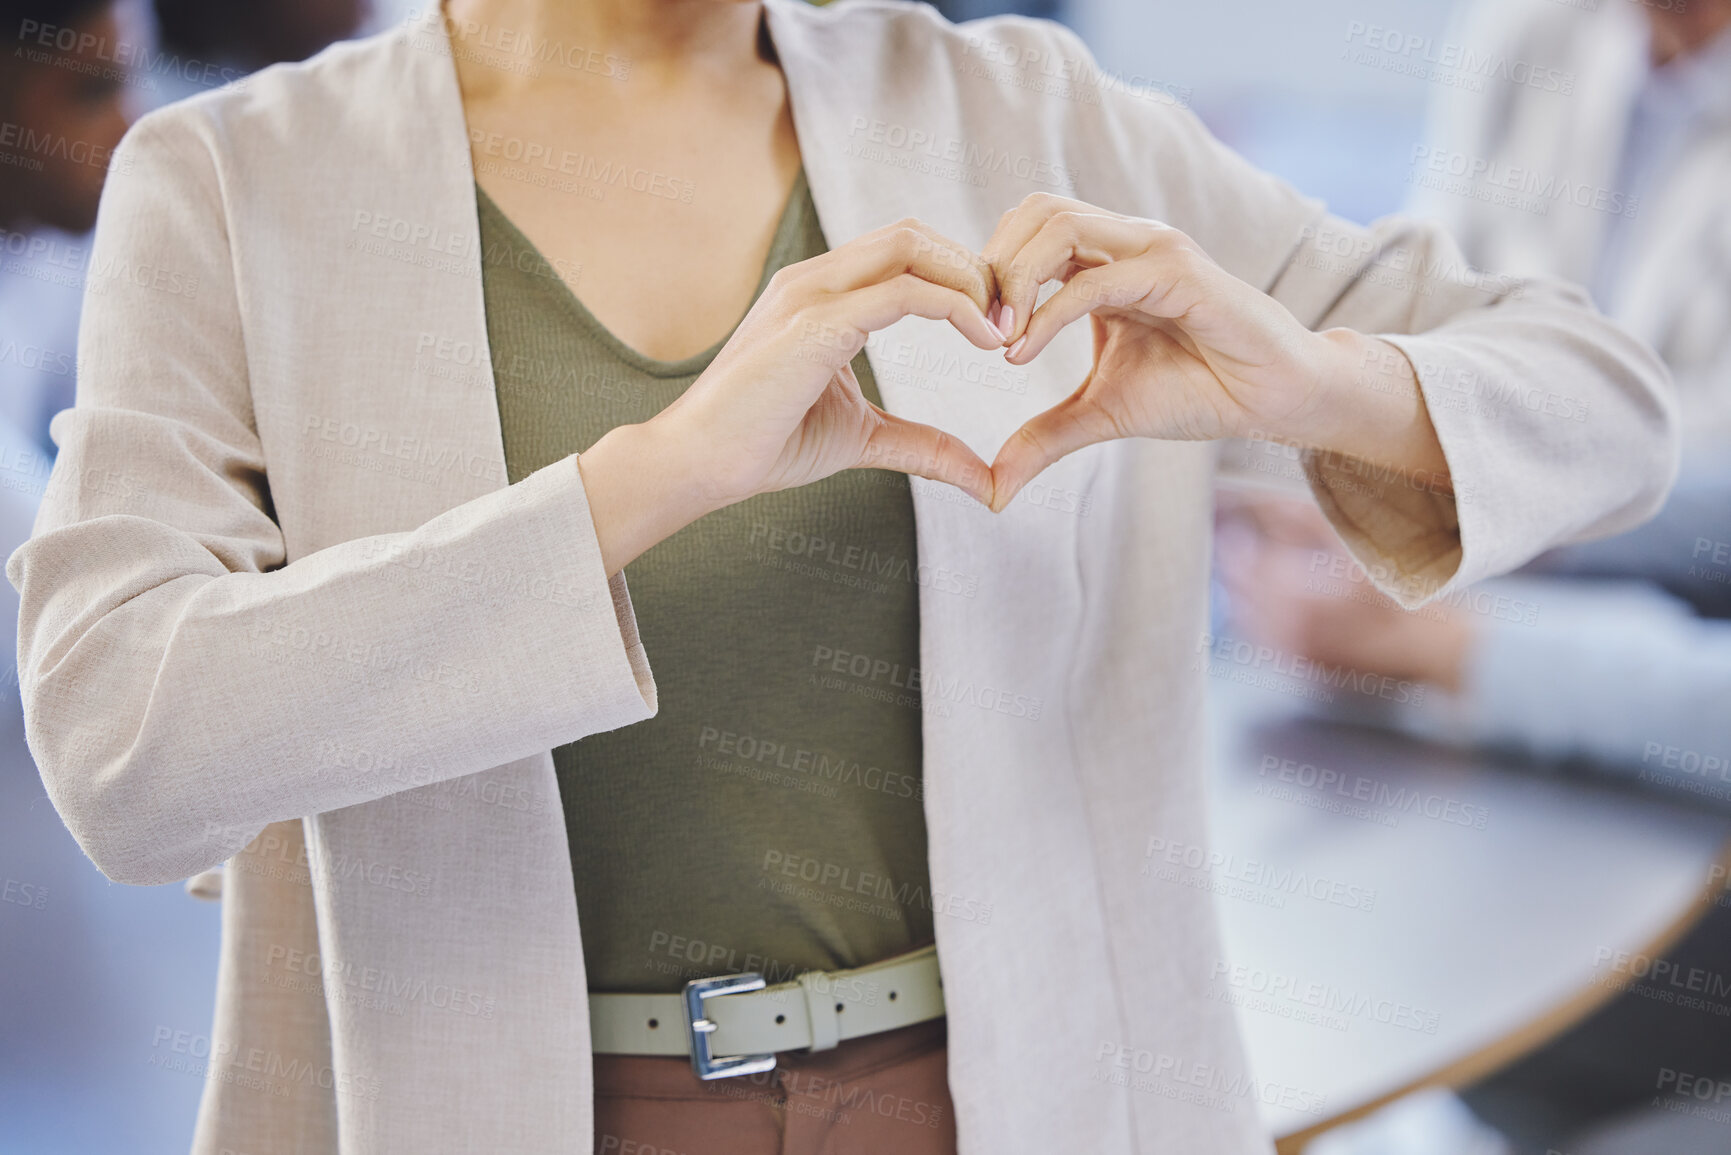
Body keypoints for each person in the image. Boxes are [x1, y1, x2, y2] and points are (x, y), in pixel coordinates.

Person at [4, 2, 1677, 1153]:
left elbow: (1603, 402)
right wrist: (651, 479)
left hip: (1008, 1100)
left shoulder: (1027, 115)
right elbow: (122, 745)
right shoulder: (232, 187)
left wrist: (1308, 381)